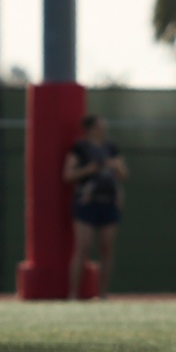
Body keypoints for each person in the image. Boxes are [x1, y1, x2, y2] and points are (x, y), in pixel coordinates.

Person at [62, 115, 128, 299]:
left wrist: (115, 166)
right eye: (98, 126)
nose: (102, 130)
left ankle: (103, 294)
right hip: (87, 203)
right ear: (89, 128)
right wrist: (89, 169)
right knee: (83, 247)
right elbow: (67, 175)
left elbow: (123, 174)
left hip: (108, 202)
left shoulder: (111, 148)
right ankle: (73, 294)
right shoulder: (79, 149)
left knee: (107, 248)